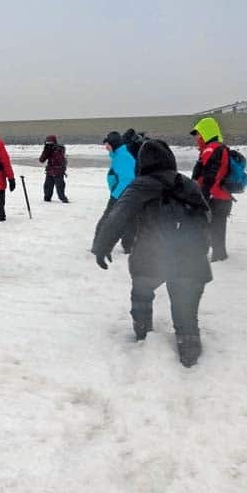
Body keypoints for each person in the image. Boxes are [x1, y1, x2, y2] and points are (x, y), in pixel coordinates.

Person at [92, 139, 212, 367]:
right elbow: (206, 219)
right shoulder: (187, 184)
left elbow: (117, 216)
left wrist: (102, 246)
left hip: (152, 257)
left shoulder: (140, 186)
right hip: (191, 260)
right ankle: (190, 352)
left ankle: (144, 336)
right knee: (185, 311)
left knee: (141, 293)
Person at [189, 117, 233, 262]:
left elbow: (209, 177)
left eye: (199, 134)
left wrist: (202, 197)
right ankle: (219, 255)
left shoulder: (211, 149)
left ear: (206, 133)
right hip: (222, 197)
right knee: (218, 227)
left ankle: (217, 257)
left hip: (214, 197)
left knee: (207, 226)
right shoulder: (220, 147)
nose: (197, 138)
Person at [92, 131, 137, 253]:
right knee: (128, 221)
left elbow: (127, 179)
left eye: (107, 144)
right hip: (125, 195)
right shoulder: (118, 155)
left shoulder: (123, 157)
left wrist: (115, 196)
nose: (106, 147)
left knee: (107, 221)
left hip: (121, 195)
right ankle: (128, 247)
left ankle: (99, 247)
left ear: (114, 144)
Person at [38, 135, 69, 202]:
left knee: (60, 187)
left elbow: (59, 160)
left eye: (50, 143)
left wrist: (54, 150)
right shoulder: (47, 149)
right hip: (50, 171)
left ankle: (63, 199)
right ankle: (47, 200)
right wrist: (46, 151)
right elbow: (41, 160)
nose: (49, 144)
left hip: (58, 171)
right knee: (47, 188)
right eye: (47, 143)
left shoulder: (60, 148)